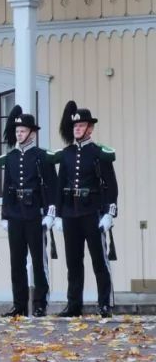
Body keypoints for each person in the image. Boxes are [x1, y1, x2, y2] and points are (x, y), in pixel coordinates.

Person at [55, 101, 117, 318]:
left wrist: (110, 212)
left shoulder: (99, 153)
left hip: (93, 212)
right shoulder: (67, 154)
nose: (78, 129)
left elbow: (111, 184)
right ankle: (74, 305)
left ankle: (104, 304)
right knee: (73, 262)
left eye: (81, 126)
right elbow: (60, 184)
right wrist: (58, 215)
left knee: (99, 261)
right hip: (71, 213)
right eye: (75, 127)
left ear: (90, 128)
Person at [0, 107, 58, 317]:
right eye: (17, 131)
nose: (19, 134)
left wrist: (51, 213)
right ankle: (19, 304)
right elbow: (7, 188)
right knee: (17, 262)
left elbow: (51, 186)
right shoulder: (12, 157)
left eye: (23, 131)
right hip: (15, 214)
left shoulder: (42, 156)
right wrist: (4, 215)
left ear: (32, 133)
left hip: (35, 213)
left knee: (38, 261)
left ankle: (40, 302)